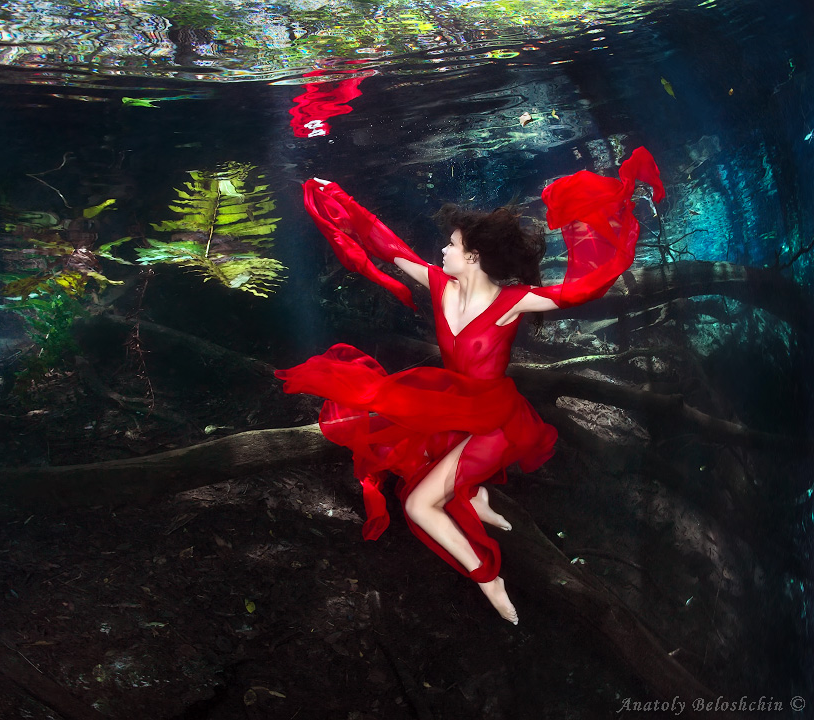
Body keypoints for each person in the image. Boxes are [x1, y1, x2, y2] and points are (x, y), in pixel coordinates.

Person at [276, 148, 664, 624]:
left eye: (451, 245)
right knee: (406, 437)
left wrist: (612, 215)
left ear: (474, 256)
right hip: (455, 410)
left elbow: (579, 291)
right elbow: (387, 246)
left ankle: (488, 577)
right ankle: (474, 496)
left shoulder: (513, 303)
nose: (441, 251)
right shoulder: (439, 286)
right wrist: (335, 198)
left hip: (493, 422)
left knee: (419, 505)